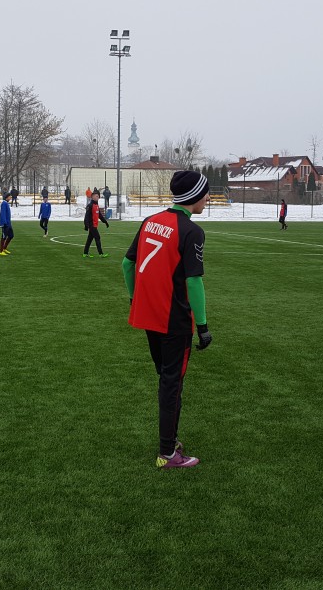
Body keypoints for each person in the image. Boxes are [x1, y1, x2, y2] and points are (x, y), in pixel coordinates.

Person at [122, 170, 212, 469]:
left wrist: (135, 299)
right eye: (205, 193)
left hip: (149, 316)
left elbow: (127, 264)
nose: (208, 198)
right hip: (174, 321)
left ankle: (169, 444)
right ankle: (167, 453)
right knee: (172, 385)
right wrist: (203, 326)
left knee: (166, 379)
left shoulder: (150, 221)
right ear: (194, 196)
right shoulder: (191, 231)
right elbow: (194, 282)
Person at [83, 189, 109, 258]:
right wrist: (86, 225)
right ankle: (101, 254)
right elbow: (86, 216)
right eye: (96, 196)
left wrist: (105, 222)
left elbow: (99, 215)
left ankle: (85, 253)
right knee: (97, 237)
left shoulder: (96, 205)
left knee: (89, 239)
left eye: (98, 196)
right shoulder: (90, 205)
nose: (98, 197)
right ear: (93, 197)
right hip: (92, 225)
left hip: (95, 225)